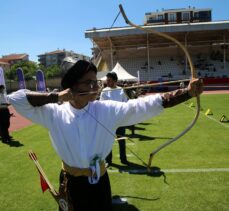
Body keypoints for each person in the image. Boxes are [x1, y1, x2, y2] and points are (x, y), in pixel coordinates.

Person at [6, 58, 203, 211]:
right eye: (89, 83)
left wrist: (186, 93)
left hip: (99, 181)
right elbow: (16, 98)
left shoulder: (106, 109)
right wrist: (56, 96)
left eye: (96, 82)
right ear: (72, 86)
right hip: (71, 182)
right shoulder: (53, 113)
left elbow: (142, 106)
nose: (95, 87)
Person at [100, 72, 129, 165]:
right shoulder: (104, 91)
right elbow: (102, 105)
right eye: (107, 80)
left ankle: (123, 159)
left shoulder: (121, 90)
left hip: (120, 120)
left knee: (121, 140)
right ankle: (108, 161)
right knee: (108, 141)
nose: (107, 82)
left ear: (115, 81)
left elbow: (126, 103)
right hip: (109, 120)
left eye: (109, 80)